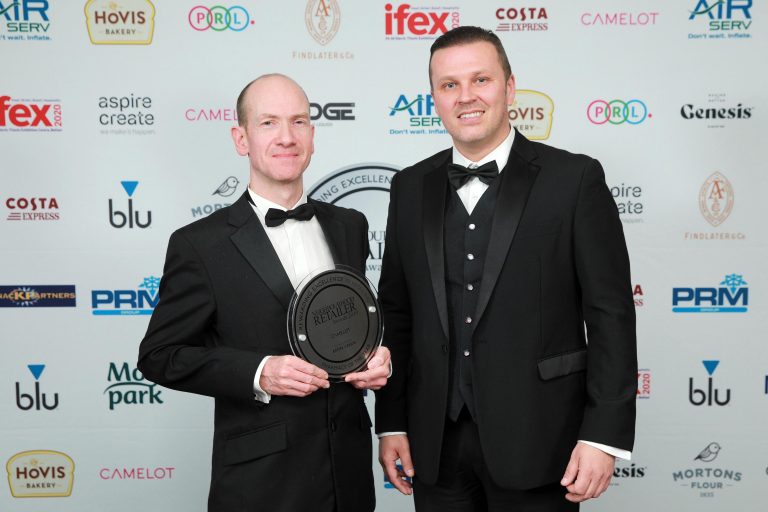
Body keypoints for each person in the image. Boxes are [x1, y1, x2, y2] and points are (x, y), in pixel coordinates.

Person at [375, 27, 637, 511]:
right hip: (435, 444)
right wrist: (391, 422)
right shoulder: (409, 187)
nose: (466, 96)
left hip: (542, 439)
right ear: (433, 98)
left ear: (510, 87)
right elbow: (397, 313)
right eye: (449, 84)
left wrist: (602, 435)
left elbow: (611, 315)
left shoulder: (574, 180)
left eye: (481, 80)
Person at [138, 74, 390, 512]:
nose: (286, 137)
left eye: (298, 122)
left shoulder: (350, 225)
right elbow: (160, 355)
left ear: (312, 136)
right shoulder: (200, 244)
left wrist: (376, 355)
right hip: (261, 483)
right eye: (269, 123)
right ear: (242, 139)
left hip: (348, 474)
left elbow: (349, 325)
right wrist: (259, 372)